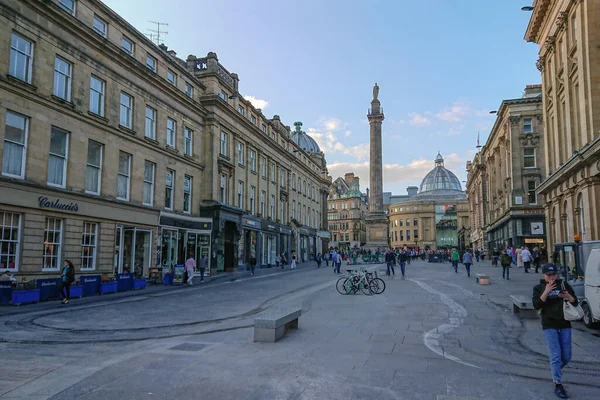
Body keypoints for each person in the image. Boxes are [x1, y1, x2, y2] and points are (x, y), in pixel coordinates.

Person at [532, 264, 578, 399]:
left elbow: (575, 302)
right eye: (548, 275)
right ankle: (558, 383)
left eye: (553, 275)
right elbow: (536, 305)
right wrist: (546, 291)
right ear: (543, 275)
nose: (551, 277)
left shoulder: (563, 285)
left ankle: (555, 369)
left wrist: (568, 296)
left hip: (564, 323)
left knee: (567, 356)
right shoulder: (538, 288)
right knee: (555, 355)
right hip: (549, 324)